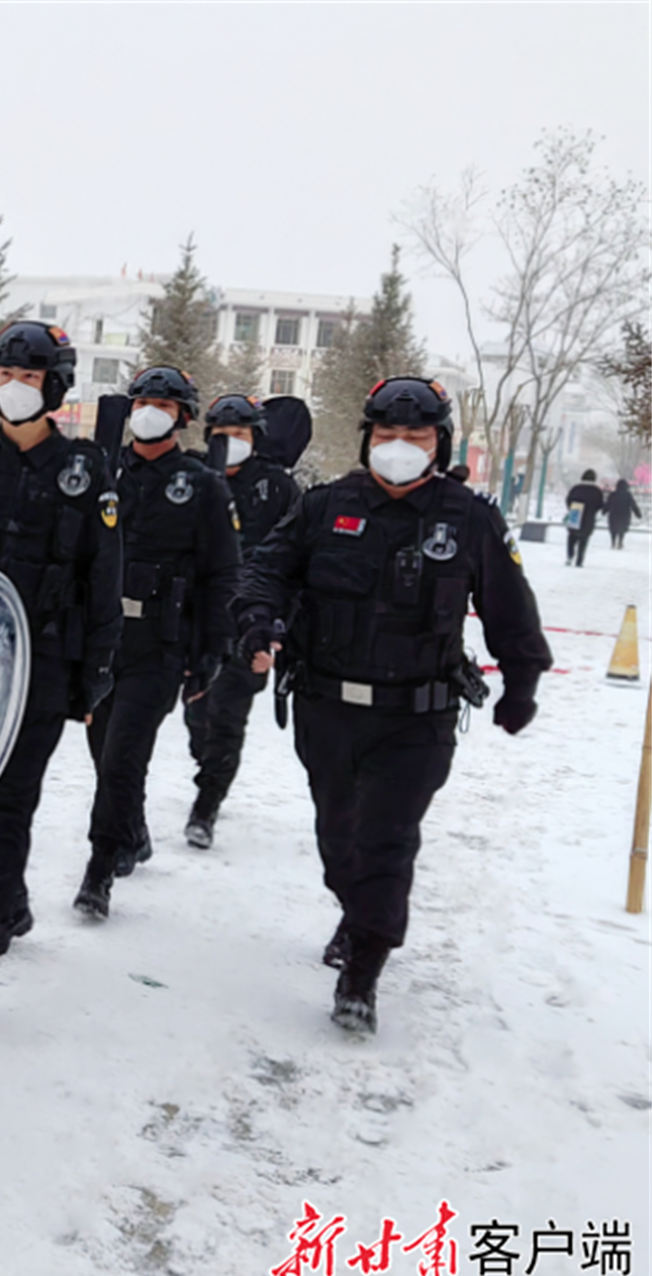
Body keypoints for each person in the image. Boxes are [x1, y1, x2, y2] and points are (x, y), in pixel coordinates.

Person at [232, 377, 552, 1035]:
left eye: (415, 437)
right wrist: (257, 620)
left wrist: (522, 682)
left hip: (417, 717)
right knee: (337, 839)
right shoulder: (325, 506)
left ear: (439, 443)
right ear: (367, 439)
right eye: (386, 436)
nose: (399, 448)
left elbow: (510, 608)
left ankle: (364, 972)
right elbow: (267, 568)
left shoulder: (470, 518)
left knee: (386, 839)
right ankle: (358, 914)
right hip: (327, 707)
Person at [0, 321, 122, 1003]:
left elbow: (104, 577)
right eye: (7, 376)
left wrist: (97, 672)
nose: (14, 389)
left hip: (46, 664)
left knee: (11, 805)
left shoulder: (86, 469)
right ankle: (10, 907)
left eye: (30, 378)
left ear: (56, 388)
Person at [75, 366, 241, 918]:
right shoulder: (101, 473)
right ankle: (133, 830)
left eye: (163, 406)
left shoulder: (203, 486)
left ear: (183, 418)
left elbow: (222, 575)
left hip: (159, 644)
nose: (149, 413)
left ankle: (98, 871)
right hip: (101, 640)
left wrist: (212, 652)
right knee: (104, 758)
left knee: (124, 755)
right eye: (142, 402)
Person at [181, 393, 301, 849]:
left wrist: (279, 630)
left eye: (240, 435)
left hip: (251, 621)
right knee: (198, 716)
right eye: (221, 435)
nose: (229, 442)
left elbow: (296, 561)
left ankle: (206, 805)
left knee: (227, 716)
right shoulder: (194, 478)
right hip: (195, 617)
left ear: (256, 438)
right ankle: (206, 762)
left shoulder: (278, 488)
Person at [564, 469, 607, 566]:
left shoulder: (576, 488)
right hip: (589, 518)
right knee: (584, 539)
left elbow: (568, 500)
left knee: (572, 537)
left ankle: (570, 556)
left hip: (575, 515)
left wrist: (571, 508)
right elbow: (600, 505)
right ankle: (579, 560)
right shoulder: (597, 491)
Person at [606, 477, 641, 549]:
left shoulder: (613, 495)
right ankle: (620, 542)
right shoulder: (628, 495)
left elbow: (608, 504)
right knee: (622, 529)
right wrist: (638, 514)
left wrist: (604, 511)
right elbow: (633, 505)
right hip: (624, 515)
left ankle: (613, 542)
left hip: (613, 515)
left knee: (613, 529)